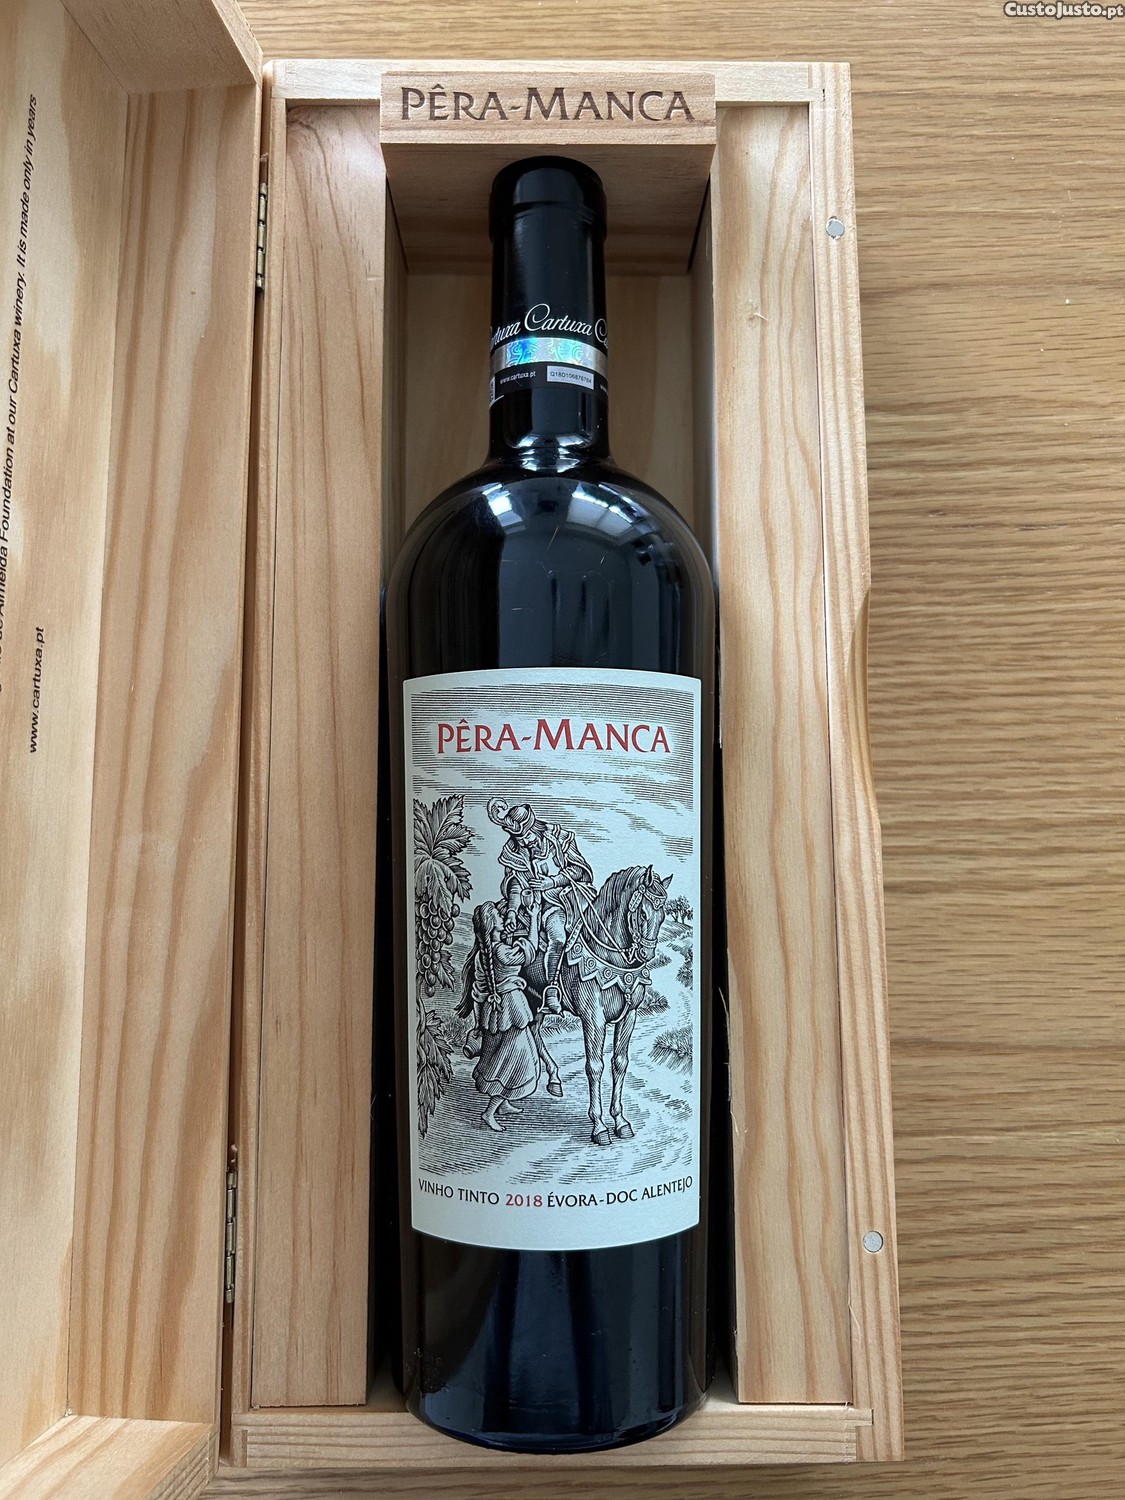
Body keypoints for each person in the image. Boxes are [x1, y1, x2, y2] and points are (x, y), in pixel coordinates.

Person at [486, 800, 595, 1012]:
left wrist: (551, 882)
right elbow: (516, 884)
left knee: (580, 928)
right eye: (520, 840)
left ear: (534, 827)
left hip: (566, 899)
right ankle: (549, 990)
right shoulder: (514, 851)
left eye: (527, 836)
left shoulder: (559, 838)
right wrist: (512, 912)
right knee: (554, 936)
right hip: (536, 907)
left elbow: (579, 870)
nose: (526, 843)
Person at [459, 902, 540, 1132]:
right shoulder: (501, 952)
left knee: (502, 1057)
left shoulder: (482, 955)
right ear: (492, 924)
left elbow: (478, 991)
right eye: (498, 915)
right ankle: (489, 1112)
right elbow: (530, 951)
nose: (503, 916)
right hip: (511, 1009)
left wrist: (479, 1021)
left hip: (494, 1013)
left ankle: (503, 1104)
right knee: (513, 1061)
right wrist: (534, 917)